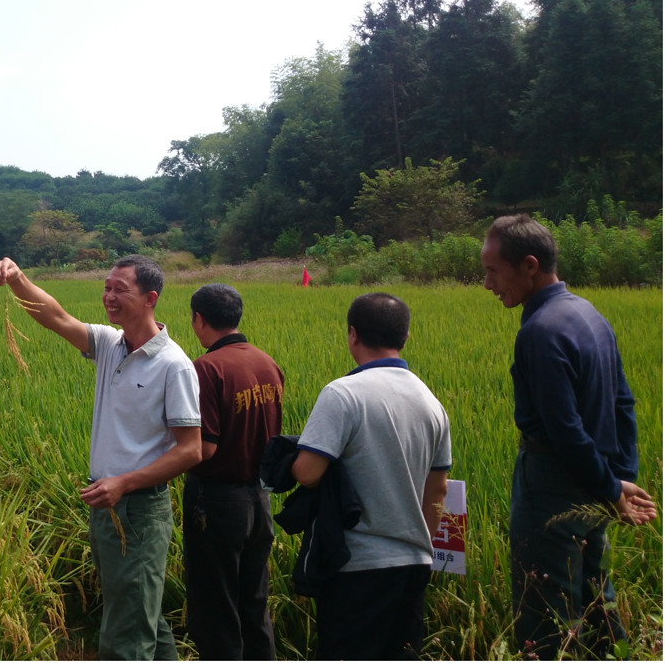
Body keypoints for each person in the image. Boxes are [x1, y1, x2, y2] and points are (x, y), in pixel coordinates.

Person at [0, 254, 201, 661]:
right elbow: (56, 317)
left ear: (150, 298)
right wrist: (17, 278)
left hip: (138, 510)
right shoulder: (109, 344)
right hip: (106, 505)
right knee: (138, 612)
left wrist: (124, 482)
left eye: (120, 289)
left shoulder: (174, 365)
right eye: (106, 287)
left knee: (126, 630)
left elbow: (190, 449)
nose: (109, 296)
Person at [481, 215, 657, 659]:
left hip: (552, 488)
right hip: (591, 483)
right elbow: (622, 403)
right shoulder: (588, 313)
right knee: (598, 605)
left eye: (493, 271)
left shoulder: (540, 332)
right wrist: (619, 477)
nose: (487, 284)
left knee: (547, 618)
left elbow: (565, 431)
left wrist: (613, 488)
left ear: (529, 266)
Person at [290, 292, 451, 661]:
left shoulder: (343, 394)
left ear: (352, 334)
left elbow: (308, 473)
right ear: (405, 338)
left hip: (358, 566)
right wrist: (420, 543)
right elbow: (437, 490)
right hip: (414, 564)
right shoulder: (431, 402)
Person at [185, 283, 283, 661]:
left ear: (198, 319)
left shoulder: (207, 368)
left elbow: (205, 448)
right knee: (254, 603)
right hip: (259, 499)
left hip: (218, 503)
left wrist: (163, 461)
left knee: (217, 609)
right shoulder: (267, 363)